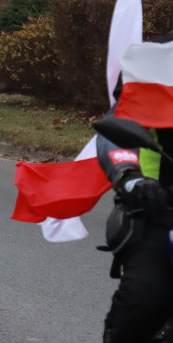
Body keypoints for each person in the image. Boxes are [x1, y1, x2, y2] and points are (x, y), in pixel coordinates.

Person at [96, 38, 173, 343]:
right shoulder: (156, 63)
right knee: (145, 297)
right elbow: (120, 122)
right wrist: (130, 176)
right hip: (160, 210)